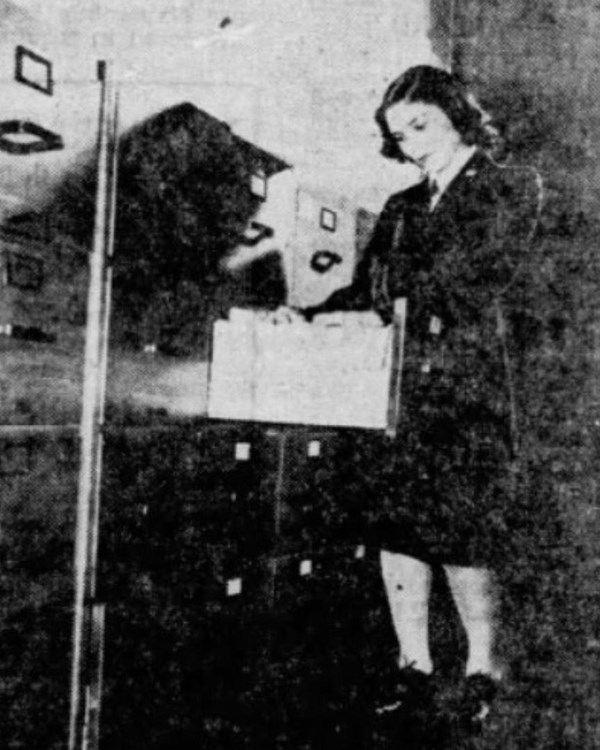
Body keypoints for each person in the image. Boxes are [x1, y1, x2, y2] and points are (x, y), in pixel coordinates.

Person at [278, 65, 542, 726]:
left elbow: (482, 276)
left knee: (462, 535)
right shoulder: (400, 208)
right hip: (400, 394)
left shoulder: (510, 187)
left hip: (473, 389)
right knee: (398, 529)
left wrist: (389, 308)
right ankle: (414, 666)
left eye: (421, 125)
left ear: (457, 115)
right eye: (400, 135)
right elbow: (369, 290)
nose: (412, 142)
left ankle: (482, 666)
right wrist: (310, 314)